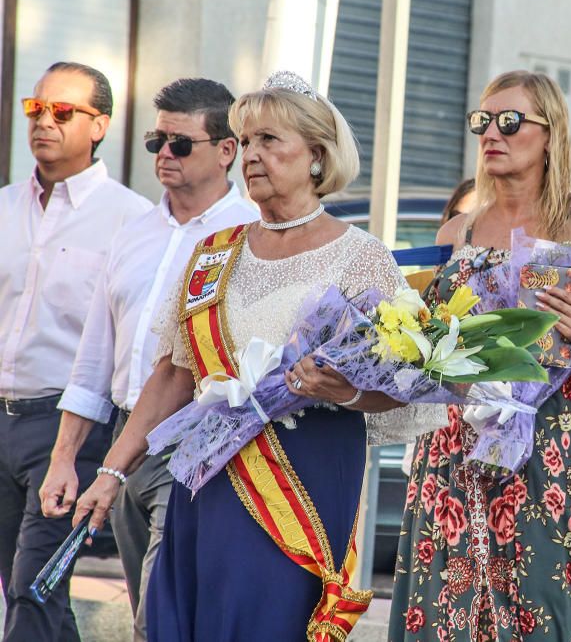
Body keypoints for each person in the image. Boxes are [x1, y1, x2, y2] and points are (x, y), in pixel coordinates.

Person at [71, 72, 413, 641]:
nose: (251, 156)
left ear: (316, 158)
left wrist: (343, 391)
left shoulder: (362, 258)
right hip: (205, 474)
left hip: (300, 478)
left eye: (269, 141)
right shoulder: (213, 255)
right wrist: (112, 471)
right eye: (246, 142)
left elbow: (401, 384)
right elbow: (174, 374)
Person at [389, 71, 571, 640]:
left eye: (510, 121)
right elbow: (422, 349)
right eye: (483, 122)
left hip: (545, 443)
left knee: (543, 603)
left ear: (550, 134)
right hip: (452, 444)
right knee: (445, 605)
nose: (491, 134)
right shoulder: (458, 231)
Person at [38, 78, 257, 642]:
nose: (164, 154)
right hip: (123, 436)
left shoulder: (246, 235)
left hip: (198, 438)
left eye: (180, 143)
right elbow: (93, 359)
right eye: (155, 141)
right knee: (149, 603)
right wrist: (66, 458)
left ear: (226, 150)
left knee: (155, 620)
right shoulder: (132, 232)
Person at [0, 61, 151, 642]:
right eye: (35, 109)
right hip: (3, 419)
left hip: (68, 429)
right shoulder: (7, 206)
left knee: (32, 588)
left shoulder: (130, 219)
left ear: (100, 125)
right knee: (38, 595)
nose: (44, 122)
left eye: (63, 112)